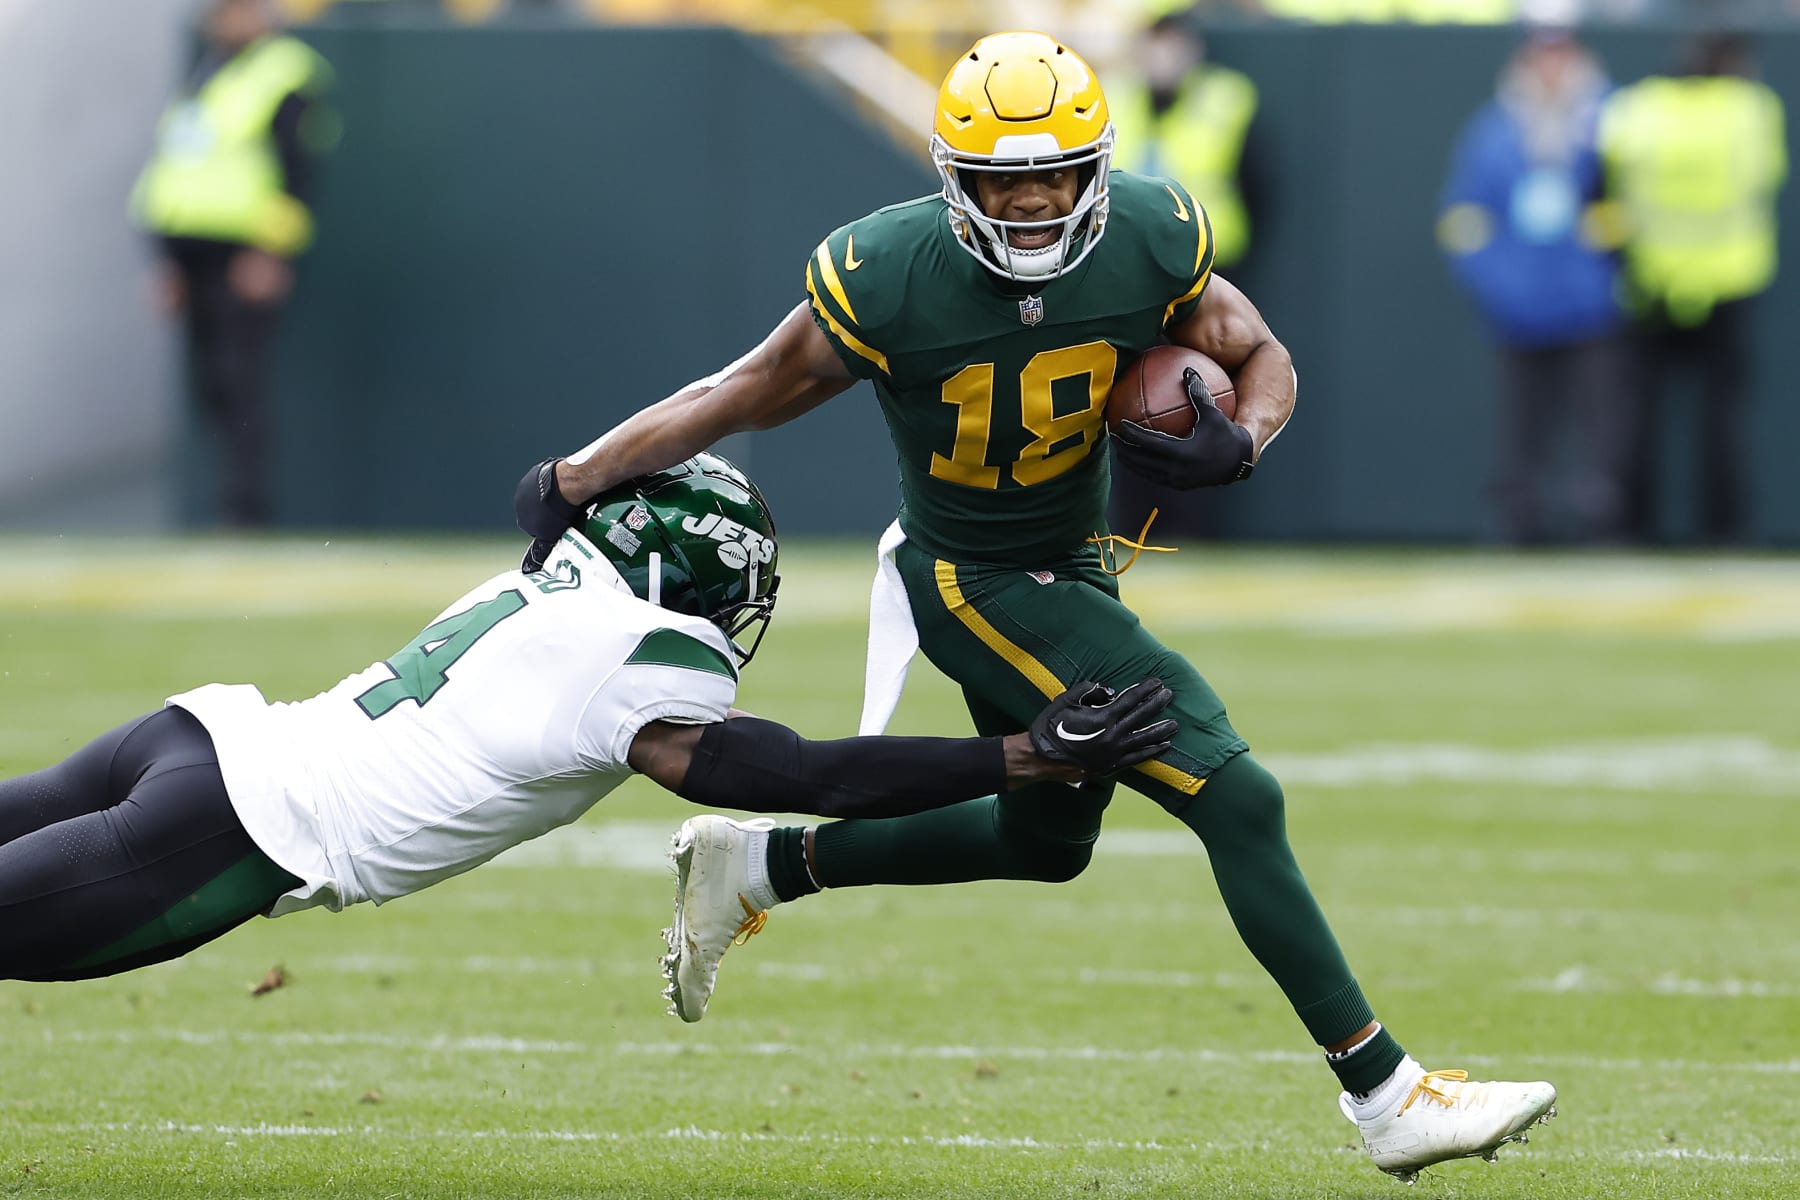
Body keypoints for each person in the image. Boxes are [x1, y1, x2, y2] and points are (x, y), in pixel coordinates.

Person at [516, 32, 1555, 1183]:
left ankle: (763, 868)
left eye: (1055, 172)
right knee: (1236, 791)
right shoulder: (890, 274)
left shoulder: (1152, 235)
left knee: (1046, 840)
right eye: (1003, 178)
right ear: (953, 182)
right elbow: (740, 392)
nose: (1031, 200)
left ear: (1095, 169)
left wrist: (1243, 441)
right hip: (970, 577)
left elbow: (1259, 351)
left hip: (1075, 561)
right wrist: (578, 474)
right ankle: (1387, 1093)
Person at [0, 453, 1178, 984]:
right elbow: (798, 774)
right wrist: (1020, 753)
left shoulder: (548, 572)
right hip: (239, 830)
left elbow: (556, 490)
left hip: (194, 738)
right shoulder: (639, 657)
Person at [131, 0, 336, 527]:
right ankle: (226, 504)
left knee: (240, 376)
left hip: (244, 249)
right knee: (210, 384)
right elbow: (179, 167)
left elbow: (299, 171)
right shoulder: (208, 71)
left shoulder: (286, 71)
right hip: (190, 249)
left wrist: (271, 249)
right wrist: (166, 259)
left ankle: (246, 509)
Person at [1437, 28, 1630, 545]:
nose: (1552, 70)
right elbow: (1464, 217)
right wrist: (1498, 282)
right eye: (1541, 57)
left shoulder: (1613, 123)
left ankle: (1600, 521)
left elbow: (1632, 203)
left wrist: (1607, 270)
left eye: (1562, 56)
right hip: (1517, 305)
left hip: (1592, 304)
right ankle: (1520, 521)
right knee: (1522, 425)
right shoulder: (1494, 129)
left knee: (1600, 422)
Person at [1599, 33, 1787, 545]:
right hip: (1730, 277)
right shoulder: (1751, 110)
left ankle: (1626, 527)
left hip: (1651, 276)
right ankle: (1725, 529)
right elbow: (1765, 175)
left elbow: (1607, 178)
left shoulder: (1637, 108)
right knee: (1723, 416)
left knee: (1635, 413)